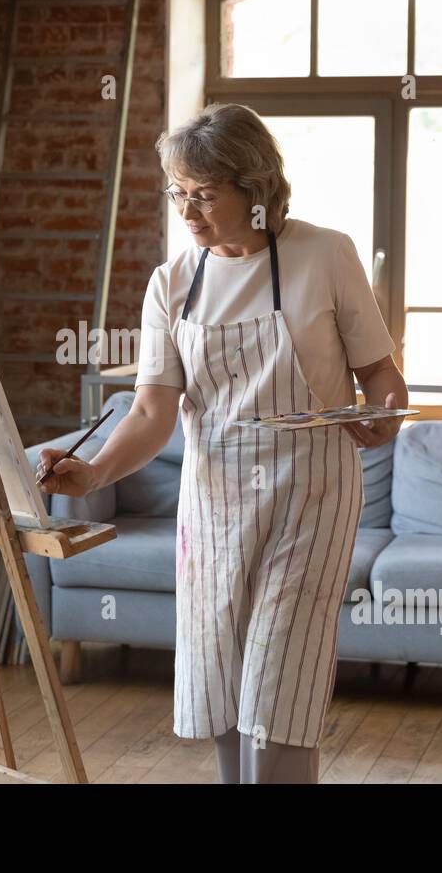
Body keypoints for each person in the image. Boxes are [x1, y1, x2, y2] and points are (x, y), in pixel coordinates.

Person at [36, 102, 409, 783]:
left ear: (256, 187)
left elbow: (381, 374)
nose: (188, 210)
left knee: (281, 673)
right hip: (214, 505)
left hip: (311, 495)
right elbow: (152, 412)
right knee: (222, 670)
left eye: (205, 194)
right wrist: (90, 475)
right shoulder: (172, 283)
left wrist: (386, 415)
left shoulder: (325, 254)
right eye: (178, 192)